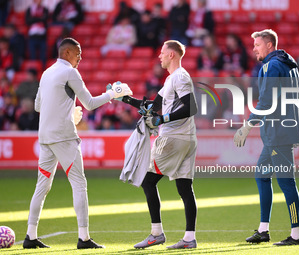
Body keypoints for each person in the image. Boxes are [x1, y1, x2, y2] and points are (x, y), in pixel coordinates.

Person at [23, 37, 132, 249]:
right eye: (77, 53)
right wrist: (112, 94)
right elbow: (90, 104)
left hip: (45, 138)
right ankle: (83, 238)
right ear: (67, 53)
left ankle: (30, 235)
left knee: (41, 187)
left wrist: (67, 113)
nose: (80, 57)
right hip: (64, 138)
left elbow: (38, 106)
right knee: (79, 184)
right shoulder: (70, 72)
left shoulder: (46, 73)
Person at [120, 40, 198, 249]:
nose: (159, 56)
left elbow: (191, 107)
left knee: (147, 181)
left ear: (172, 55)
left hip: (173, 138)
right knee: (184, 187)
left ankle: (157, 233)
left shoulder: (179, 76)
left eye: (162, 53)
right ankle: (189, 238)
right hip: (188, 139)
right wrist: (126, 99)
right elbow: (153, 107)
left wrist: (162, 120)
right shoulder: (173, 79)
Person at [233, 29, 299, 245]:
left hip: (278, 134)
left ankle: (297, 234)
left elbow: (266, 102)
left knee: (286, 183)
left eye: (257, 44)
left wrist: (247, 126)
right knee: (262, 176)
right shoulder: (288, 63)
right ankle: (264, 230)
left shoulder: (271, 66)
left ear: (269, 45)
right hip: (280, 132)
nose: (253, 48)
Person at [25, 0, 49, 67]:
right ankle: (34, 70)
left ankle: (42, 70)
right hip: (32, 36)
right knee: (32, 56)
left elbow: (45, 19)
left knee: (43, 56)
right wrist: (40, 18)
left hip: (42, 36)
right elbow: (28, 21)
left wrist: (34, 19)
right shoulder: (29, 9)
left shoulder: (45, 9)